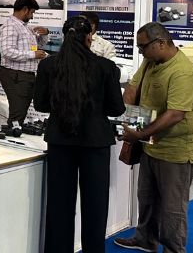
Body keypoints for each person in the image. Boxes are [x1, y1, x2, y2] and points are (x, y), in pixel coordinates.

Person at [33, 15, 125, 253]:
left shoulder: (48, 65)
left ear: (65, 36)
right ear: (89, 37)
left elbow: (41, 105)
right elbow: (116, 109)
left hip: (60, 141)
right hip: (96, 142)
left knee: (59, 204)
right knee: (95, 206)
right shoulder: (106, 67)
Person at [114, 22, 193, 253]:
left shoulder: (182, 71)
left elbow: (175, 114)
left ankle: (174, 249)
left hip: (178, 149)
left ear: (161, 43)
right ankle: (146, 239)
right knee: (146, 196)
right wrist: (127, 120)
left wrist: (139, 134)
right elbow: (133, 88)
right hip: (152, 144)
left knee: (172, 206)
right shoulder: (151, 60)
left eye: (143, 47)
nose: (140, 52)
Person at [0, 0, 49, 125]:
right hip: (15, 76)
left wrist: (45, 33)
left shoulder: (24, 27)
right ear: (25, 9)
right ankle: (12, 134)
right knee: (18, 113)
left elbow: (38, 45)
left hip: (24, 76)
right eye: (32, 12)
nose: (32, 16)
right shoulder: (11, 26)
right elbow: (7, 51)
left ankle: (15, 131)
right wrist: (33, 55)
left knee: (20, 112)